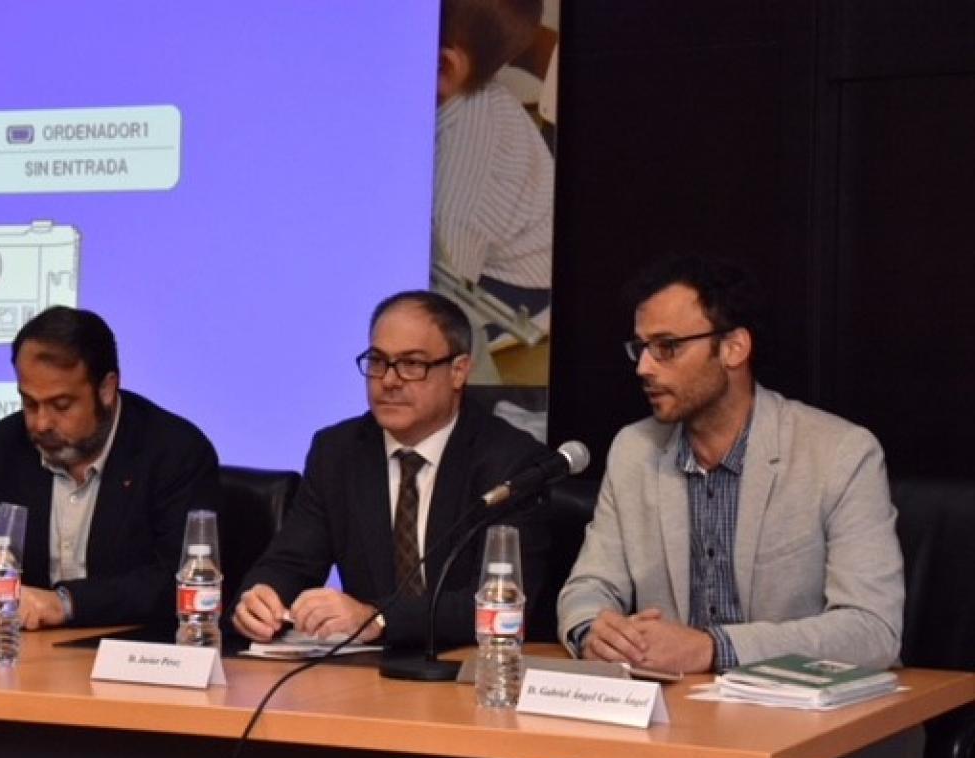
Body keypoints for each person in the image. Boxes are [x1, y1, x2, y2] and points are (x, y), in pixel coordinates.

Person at [557, 255, 904, 673]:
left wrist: (713, 648)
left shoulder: (839, 453)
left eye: (667, 347)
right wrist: (594, 631)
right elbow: (589, 585)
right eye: (641, 348)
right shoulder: (635, 450)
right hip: (679, 704)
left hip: (799, 705)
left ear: (733, 348)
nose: (644, 367)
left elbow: (872, 629)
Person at [231, 290, 553, 648]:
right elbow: (292, 562)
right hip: (365, 667)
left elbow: (497, 603)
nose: (388, 380)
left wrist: (378, 618)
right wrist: (262, 598)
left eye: (412, 364)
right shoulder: (338, 452)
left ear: (459, 371)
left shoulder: (510, 462)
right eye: (378, 361)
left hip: (470, 663)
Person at [0, 306, 219, 629]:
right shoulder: (5, 445)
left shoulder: (173, 451)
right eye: (29, 403)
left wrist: (67, 603)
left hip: (134, 649)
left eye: (61, 405)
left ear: (106, 389)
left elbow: (175, 580)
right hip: (24, 650)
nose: (40, 423)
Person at [434, 0, 555, 335]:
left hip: (513, 286)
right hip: (504, 238)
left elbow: (442, 297)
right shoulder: (463, 93)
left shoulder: (457, 186)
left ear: (444, 66)